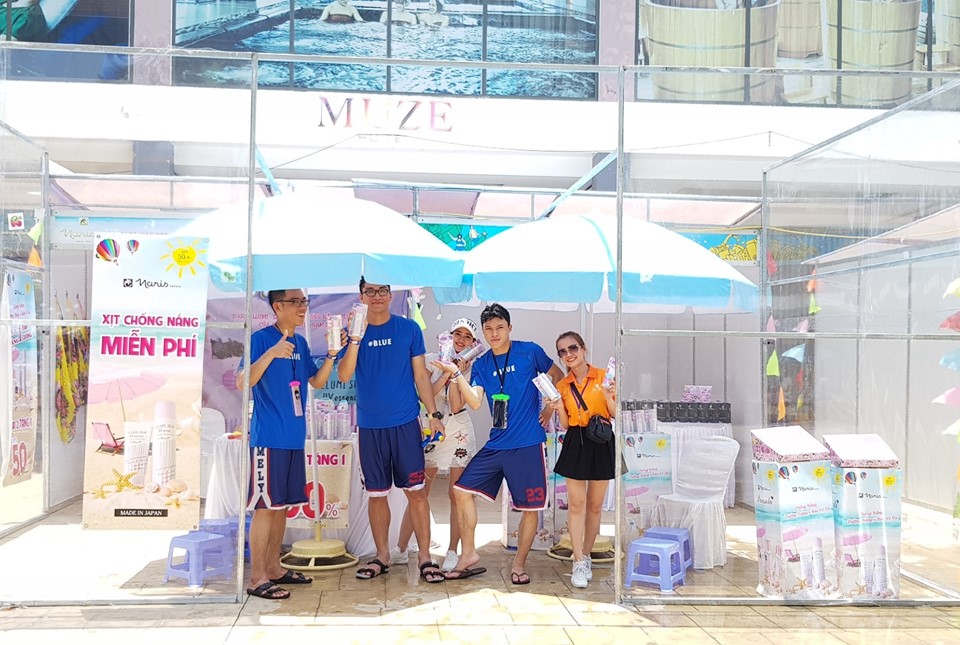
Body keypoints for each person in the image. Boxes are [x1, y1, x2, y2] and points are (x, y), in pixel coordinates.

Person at [436, 303, 563, 583]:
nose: (494, 334)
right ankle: (469, 553)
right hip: (497, 444)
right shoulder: (482, 364)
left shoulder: (529, 351)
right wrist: (456, 375)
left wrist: (548, 408)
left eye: (499, 328)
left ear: (509, 328)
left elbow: (558, 375)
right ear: (483, 333)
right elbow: (475, 401)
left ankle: (519, 565)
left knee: (529, 507)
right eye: (489, 329)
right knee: (460, 491)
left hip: (528, 443)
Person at [337, 278, 447, 583]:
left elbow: (421, 376)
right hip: (370, 427)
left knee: (417, 493)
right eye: (370, 291)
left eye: (382, 290)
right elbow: (344, 375)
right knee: (377, 495)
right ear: (361, 296)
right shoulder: (353, 333)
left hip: (406, 424)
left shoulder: (408, 329)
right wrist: (354, 339)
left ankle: (425, 557)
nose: (377, 296)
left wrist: (434, 415)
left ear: (390, 294)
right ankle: (382, 556)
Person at [237, 289, 342, 600]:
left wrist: (332, 355)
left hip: (294, 439)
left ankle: (274, 568)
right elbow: (243, 381)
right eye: (295, 302)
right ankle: (257, 578)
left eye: (304, 302)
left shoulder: (302, 343)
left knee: (281, 507)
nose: (302, 307)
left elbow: (317, 381)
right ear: (278, 306)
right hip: (268, 439)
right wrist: (271, 353)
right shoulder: (261, 339)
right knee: (265, 507)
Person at [394, 317, 481, 572]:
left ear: (473, 342)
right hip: (431, 428)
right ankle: (401, 548)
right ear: (449, 335)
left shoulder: (474, 367)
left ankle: (453, 550)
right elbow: (426, 394)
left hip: (458, 430)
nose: (461, 340)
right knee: (419, 491)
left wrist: (456, 375)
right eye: (457, 334)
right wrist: (446, 372)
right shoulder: (432, 359)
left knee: (457, 494)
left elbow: (456, 405)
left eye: (467, 336)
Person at [544, 331, 616, 589]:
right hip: (576, 441)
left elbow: (614, 413)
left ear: (583, 348)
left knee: (595, 506)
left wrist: (608, 395)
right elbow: (565, 424)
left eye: (572, 348)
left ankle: (586, 556)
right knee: (576, 505)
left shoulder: (604, 376)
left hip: (601, 439)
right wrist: (558, 408)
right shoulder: (563, 386)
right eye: (562, 351)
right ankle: (577, 561)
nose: (568, 354)